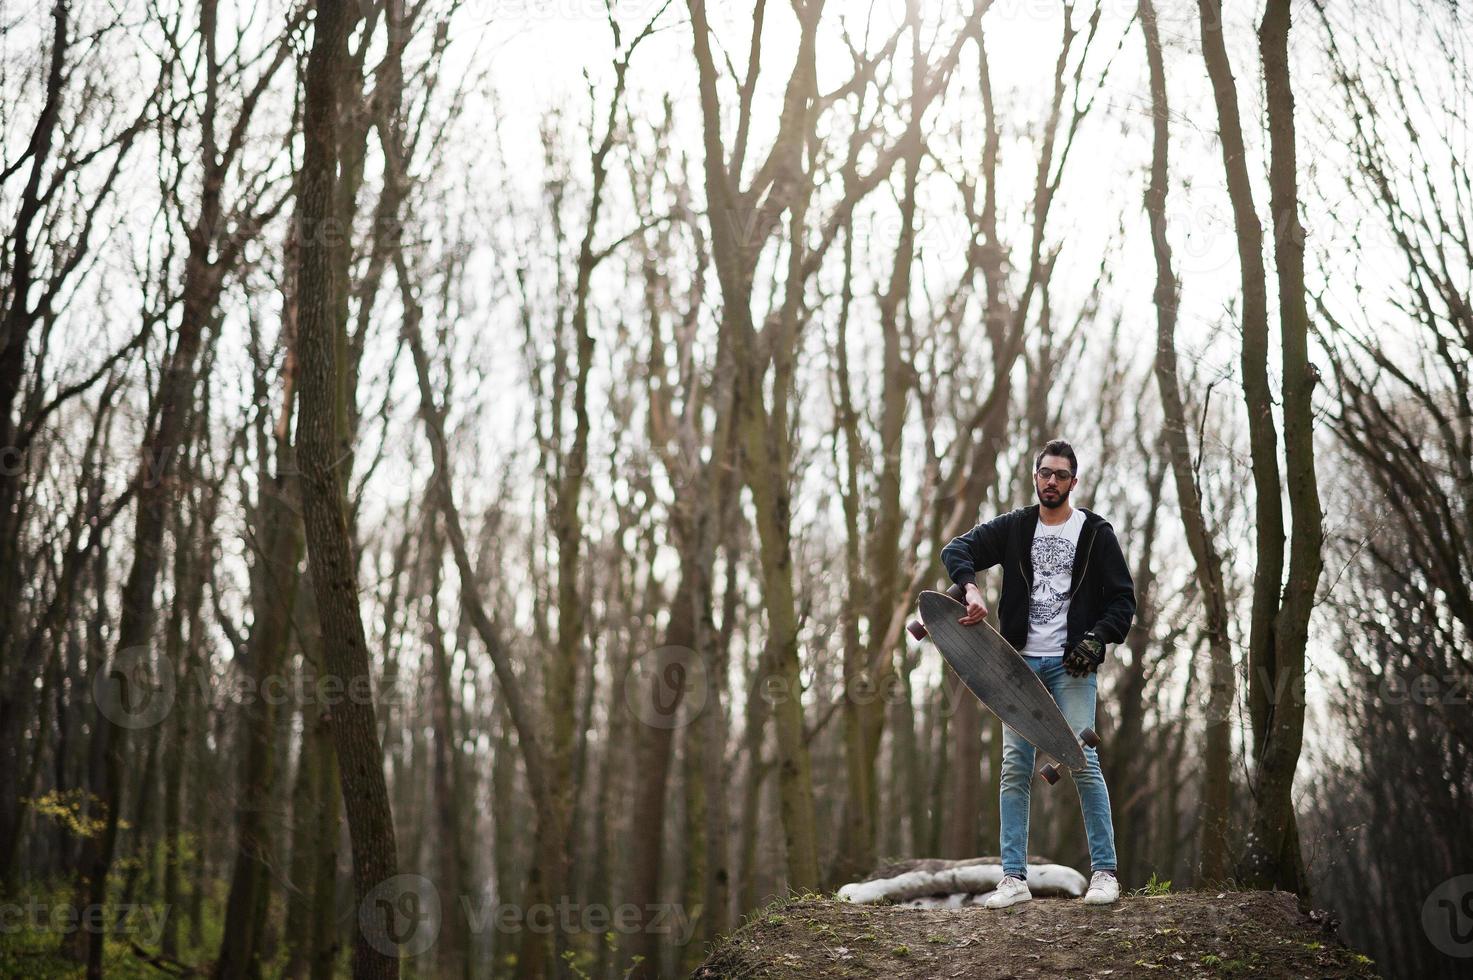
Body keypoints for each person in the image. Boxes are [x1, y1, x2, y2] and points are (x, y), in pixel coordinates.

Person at [940, 439, 1136, 908]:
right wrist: (970, 588)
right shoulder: (1014, 527)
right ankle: (1013, 879)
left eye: (1061, 475)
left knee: (1082, 762)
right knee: (1014, 768)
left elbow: (1123, 601)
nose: (1052, 481)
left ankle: (1104, 873)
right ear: (1035, 477)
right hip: (1016, 667)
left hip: (1072, 669)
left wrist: (1097, 638)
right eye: (1045, 473)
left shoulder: (1094, 533)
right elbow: (957, 548)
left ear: (1074, 481)